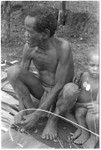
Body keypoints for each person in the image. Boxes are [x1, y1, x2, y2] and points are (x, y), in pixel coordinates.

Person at [7, 6, 79, 140]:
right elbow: (22, 76)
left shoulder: (63, 48)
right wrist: (22, 109)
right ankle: (28, 111)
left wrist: (37, 115)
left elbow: (59, 84)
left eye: (29, 31)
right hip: (41, 90)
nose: (25, 35)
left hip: (60, 93)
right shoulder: (29, 47)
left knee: (71, 90)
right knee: (13, 71)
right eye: (25, 30)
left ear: (45, 34)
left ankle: (52, 120)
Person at [71, 51, 99, 148]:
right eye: (92, 65)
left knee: (91, 115)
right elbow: (78, 87)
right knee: (79, 113)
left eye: (99, 66)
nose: (95, 69)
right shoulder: (84, 75)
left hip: (94, 109)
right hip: (82, 106)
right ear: (86, 64)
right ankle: (84, 131)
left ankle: (94, 136)